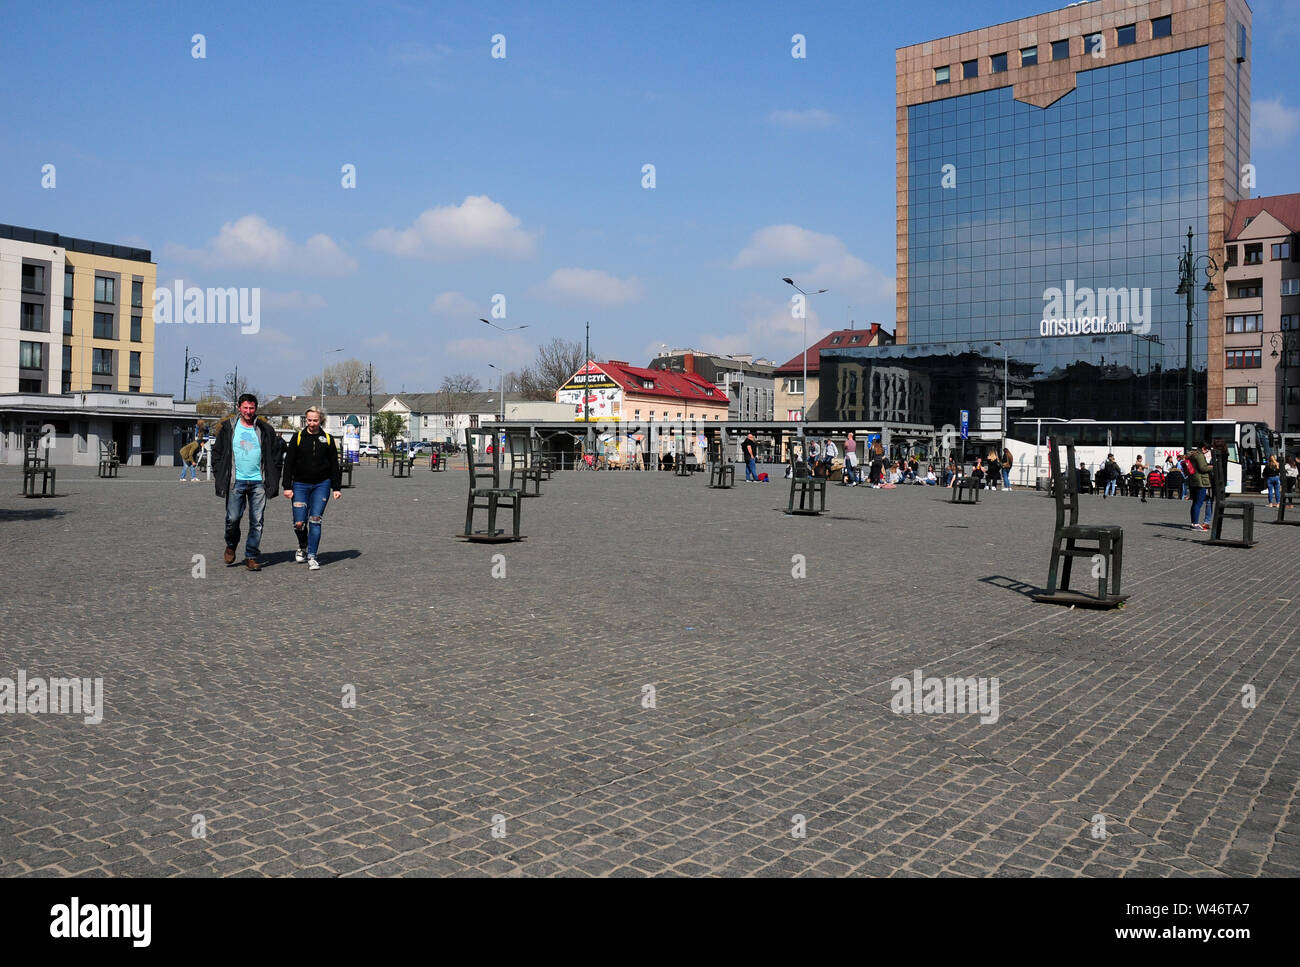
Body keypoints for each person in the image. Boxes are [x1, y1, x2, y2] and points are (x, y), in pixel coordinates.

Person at [214, 394, 283, 571]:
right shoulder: (229, 428)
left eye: (251, 408)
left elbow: (276, 454)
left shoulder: (264, 429)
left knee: (257, 521)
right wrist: (219, 474)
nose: (248, 411)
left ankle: (251, 556)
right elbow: (218, 453)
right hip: (236, 481)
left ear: (255, 409)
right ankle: (231, 544)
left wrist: (274, 475)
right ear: (239, 407)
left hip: (258, 482)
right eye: (245, 407)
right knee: (232, 518)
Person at [281, 406, 343, 570]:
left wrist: (336, 487)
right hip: (300, 484)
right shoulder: (298, 438)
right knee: (299, 523)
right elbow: (288, 464)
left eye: (315, 420)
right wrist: (287, 486)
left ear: (320, 420)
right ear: (305, 420)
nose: (312, 423)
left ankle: (312, 556)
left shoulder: (328, 439)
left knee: (315, 520)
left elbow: (334, 466)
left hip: (322, 485)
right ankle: (303, 545)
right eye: (309, 420)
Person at [1187, 443, 1213, 531]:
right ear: (1204, 448)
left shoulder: (1192, 455)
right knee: (1198, 503)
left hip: (1193, 481)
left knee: (1195, 503)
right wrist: (1212, 467)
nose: (1207, 452)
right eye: (1207, 450)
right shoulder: (1199, 455)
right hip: (1200, 482)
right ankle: (1195, 524)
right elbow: (1203, 468)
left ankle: (1193, 522)